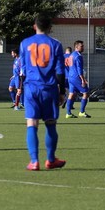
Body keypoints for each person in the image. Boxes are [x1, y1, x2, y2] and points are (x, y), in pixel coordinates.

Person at [19, 14, 66, 171]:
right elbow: (60, 71)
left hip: (31, 88)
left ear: (34, 26)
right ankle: (51, 160)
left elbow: (23, 70)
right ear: (50, 28)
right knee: (50, 123)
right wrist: (62, 91)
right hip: (49, 88)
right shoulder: (56, 44)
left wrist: (22, 87)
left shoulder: (25, 43)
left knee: (32, 123)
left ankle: (34, 161)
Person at [65, 40, 90, 118]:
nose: (83, 48)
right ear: (76, 47)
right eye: (81, 46)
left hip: (70, 77)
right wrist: (83, 79)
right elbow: (79, 69)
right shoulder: (78, 56)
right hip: (76, 77)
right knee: (86, 92)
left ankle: (68, 113)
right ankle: (82, 112)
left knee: (71, 94)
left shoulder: (71, 55)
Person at [63, 47, 75, 112]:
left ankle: (64, 100)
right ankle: (70, 104)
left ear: (66, 51)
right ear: (71, 51)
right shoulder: (72, 56)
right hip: (71, 76)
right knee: (72, 92)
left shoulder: (62, 56)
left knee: (64, 90)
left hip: (62, 76)